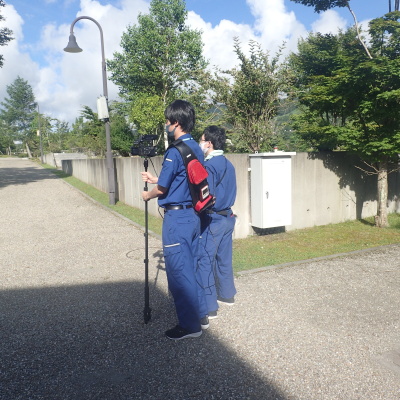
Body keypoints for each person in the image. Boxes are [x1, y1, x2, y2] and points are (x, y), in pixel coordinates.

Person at [141, 100, 208, 341]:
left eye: (168, 121)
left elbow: (162, 189)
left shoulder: (174, 151)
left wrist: (148, 194)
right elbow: (182, 178)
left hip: (177, 219)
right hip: (193, 216)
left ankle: (189, 326)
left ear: (176, 122)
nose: (167, 125)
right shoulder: (195, 147)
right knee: (193, 266)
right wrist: (156, 179)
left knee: (179, 272)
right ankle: (201, 315)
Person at [197, 126, 237, 319]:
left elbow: (207, 196)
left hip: (213, 220)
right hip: (228, 217)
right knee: (224, 258)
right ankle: (227, 295)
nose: (200, 143)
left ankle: (209, 306)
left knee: (205, 260)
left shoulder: (210, 166)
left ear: (209, 143)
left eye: (201, 139)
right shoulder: (229, 164)